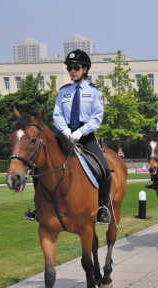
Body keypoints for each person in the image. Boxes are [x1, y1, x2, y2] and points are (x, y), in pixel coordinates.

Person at [49, 49, 111, 224]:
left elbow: (96, 117)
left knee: (105, 171)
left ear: (85, 69)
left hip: (86, 137)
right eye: (69, 68)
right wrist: (66, 131)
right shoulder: (64, 91)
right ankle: (40, 207)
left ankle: (103, 208)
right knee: (44, 165)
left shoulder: (94, 91)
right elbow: (57, 114)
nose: (72, 71)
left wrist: (80, 132)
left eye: (76, 67)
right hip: (66, 136)